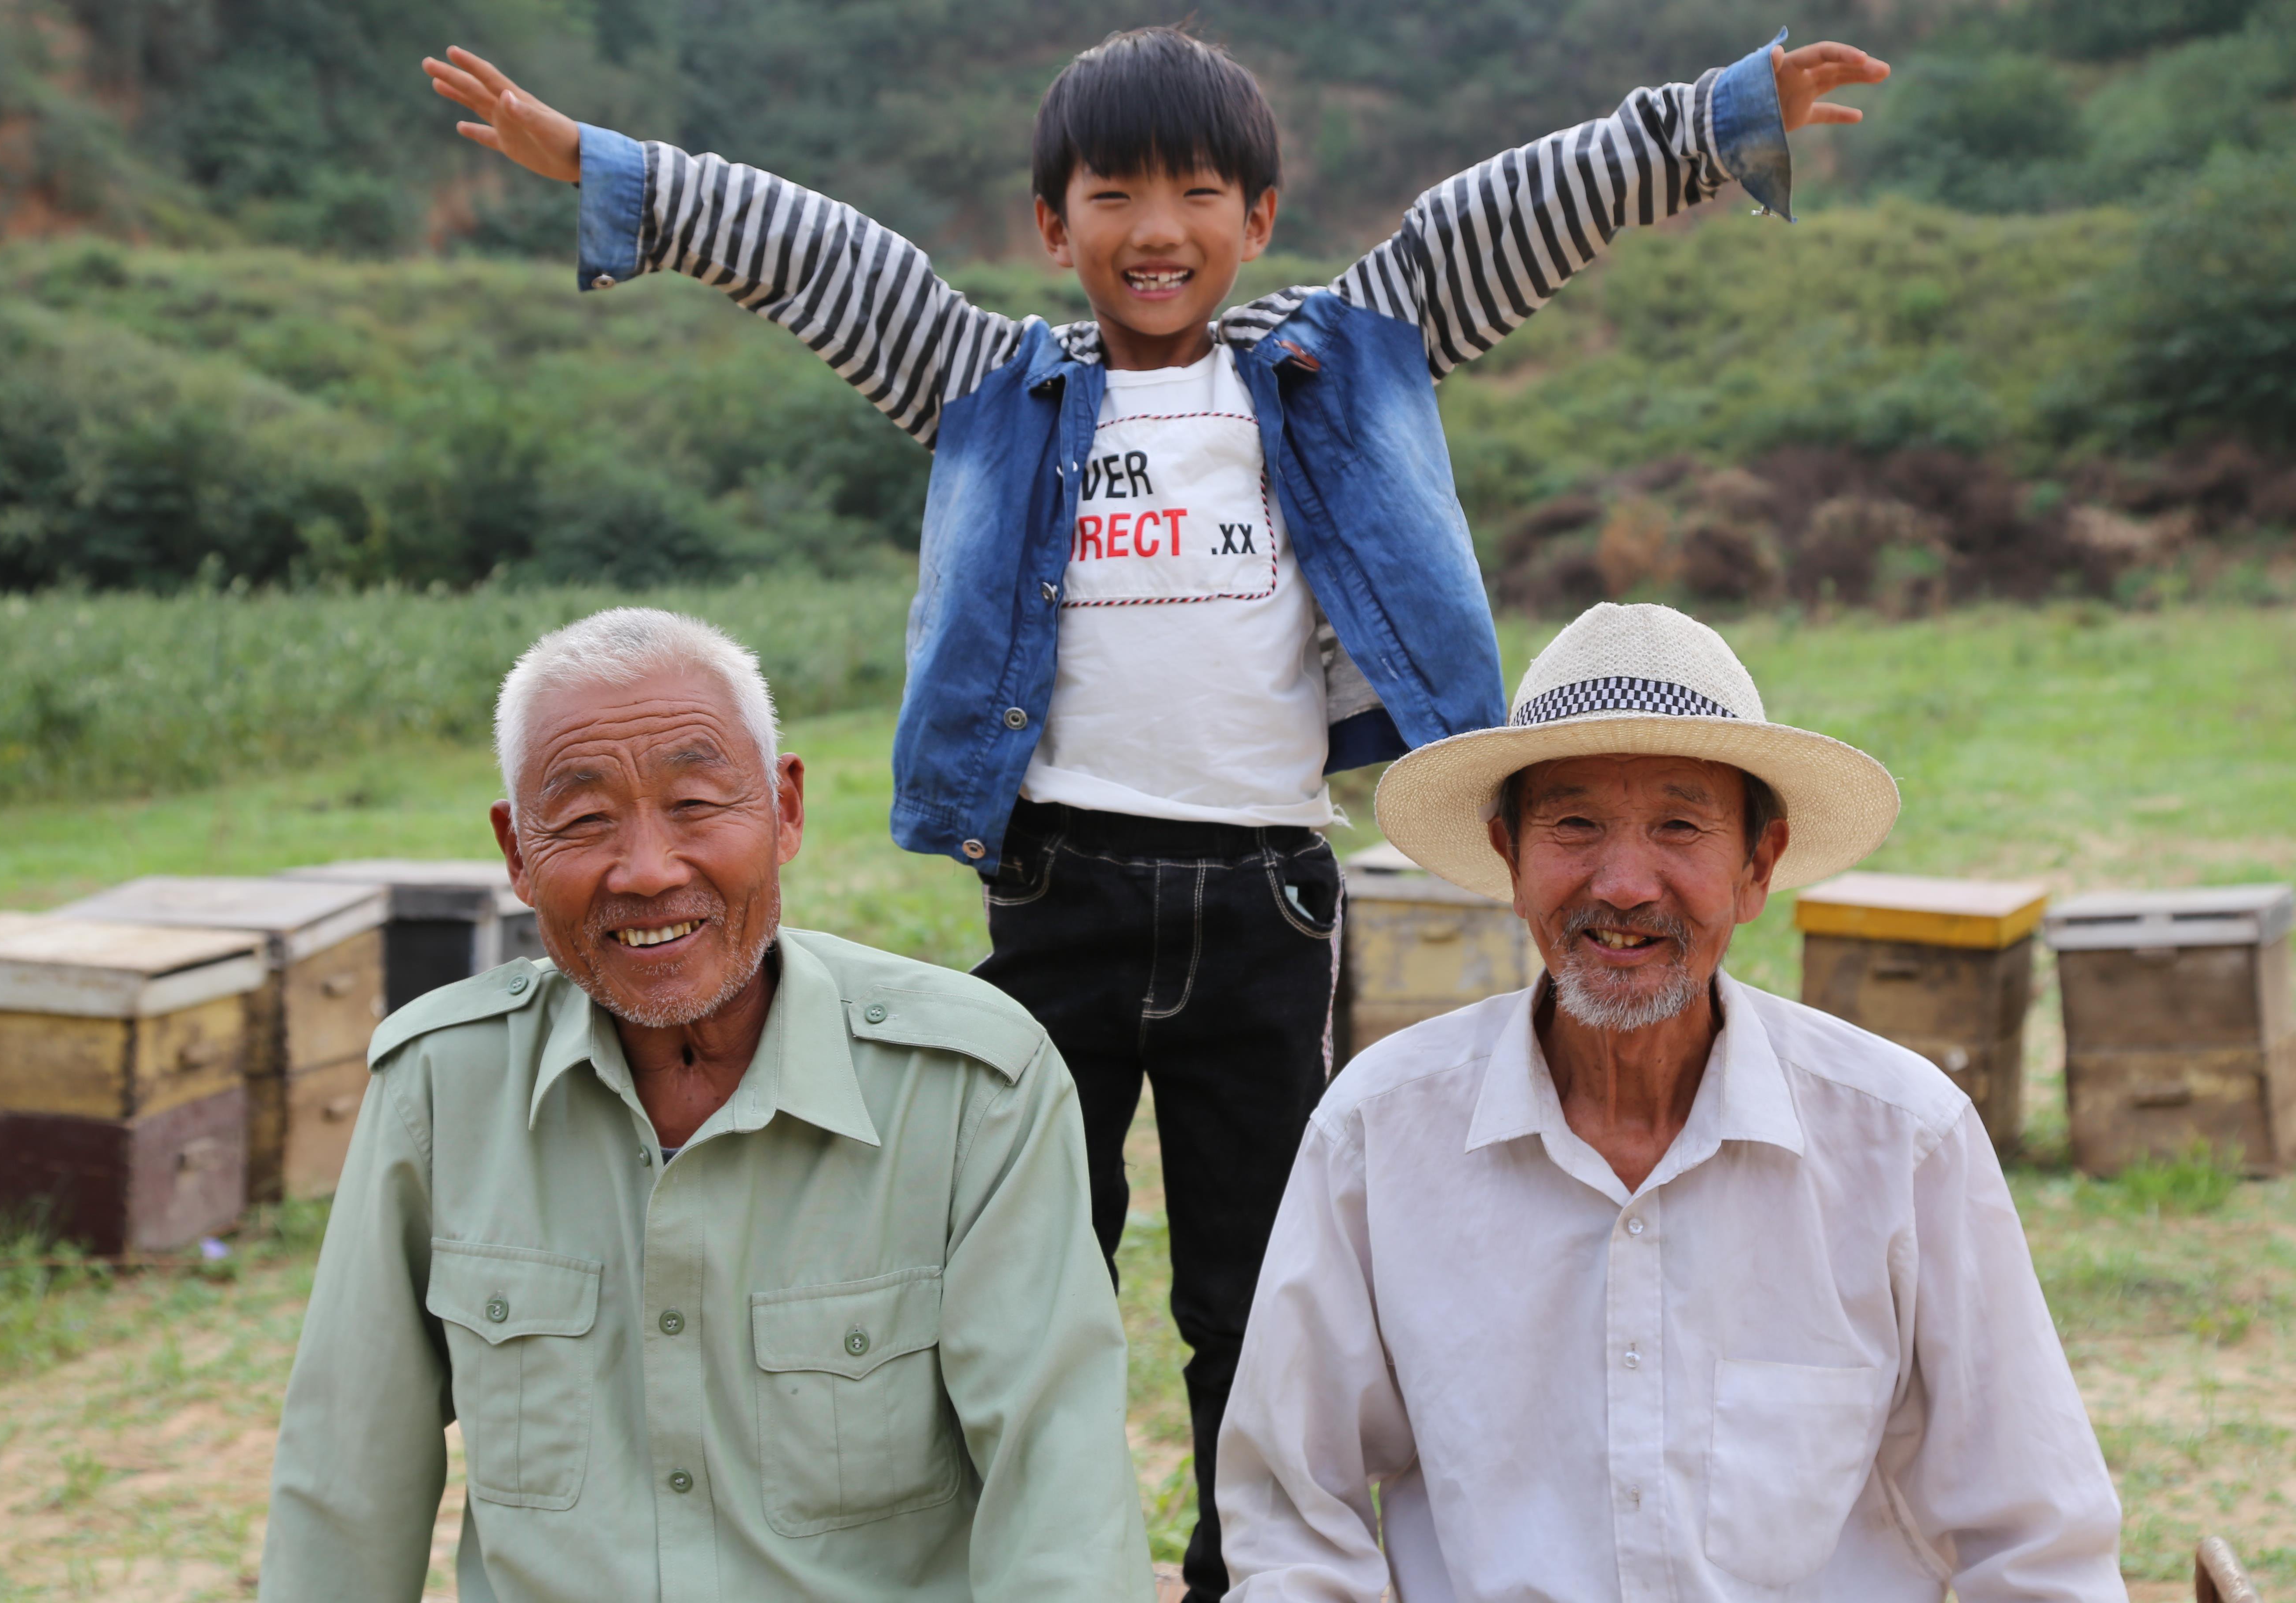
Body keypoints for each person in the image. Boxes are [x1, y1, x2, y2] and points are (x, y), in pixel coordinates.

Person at [418, 35, 1890, 1597]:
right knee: (1016, 1267)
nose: (1155, 226)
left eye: (1197, 190)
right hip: (1060, 889)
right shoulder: (989, 384)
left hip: (1266, 895)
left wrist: (1711, 120)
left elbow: (1508, 209)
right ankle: (1030, 1565)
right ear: (1052, 228)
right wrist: (608, 167)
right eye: (1111, 193)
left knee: (1259, 1284)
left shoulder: (1340, 356)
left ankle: (1246, 1573)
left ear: (1259, 215)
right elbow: (818, 255)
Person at [1217, 602, 2128, 1603]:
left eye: (1680, 827)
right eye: (1574, 824)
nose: (1623, 883)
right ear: (1510, 858)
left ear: (1757, 867)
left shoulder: (1903, 1140)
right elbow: (1296, 1522)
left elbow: (2040, 1541)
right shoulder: (1380, 1134)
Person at [258, 608, 1151, 1602]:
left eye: (694, 802)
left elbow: (1057, 1491)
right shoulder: (440, 1085)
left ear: (786, 808)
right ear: (516, 851)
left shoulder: (970, 1087)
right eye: (586, 819)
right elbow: (346, 1482)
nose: (646, 871)